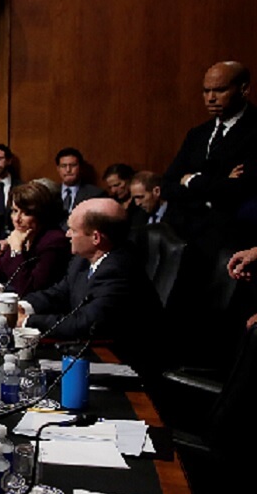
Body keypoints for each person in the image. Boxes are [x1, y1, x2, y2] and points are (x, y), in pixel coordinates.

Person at [19, 198, 161, 368]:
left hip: (125, 362)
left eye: (73, 230)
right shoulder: (84, 259)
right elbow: (60, 293)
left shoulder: (119, 269)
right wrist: (21, 306)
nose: (67, 234)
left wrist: (27, 321)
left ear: (95, 238)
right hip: (90, 350)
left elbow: (86, 323)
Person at [163, 61, 257, 249]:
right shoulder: (197, 134)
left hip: (233, 239)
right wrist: (219, 183)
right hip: (186, 236)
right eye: (206, 91)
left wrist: (191, 181)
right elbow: (167, 186)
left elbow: (239, 189)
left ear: (244, 89)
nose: (210, 98)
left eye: (220, 90)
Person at [0, 182, 70, 296]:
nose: (17, 219)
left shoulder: (54, 241)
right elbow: (1, 268)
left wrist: (16, 250)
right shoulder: (23, 234)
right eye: (15, 211)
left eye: (26, 213)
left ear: (41, 214)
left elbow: (27, 288)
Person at [129, 170, 189, 237]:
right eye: (134, 198)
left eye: (140, 197)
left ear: (156, 191)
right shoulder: (137, 218)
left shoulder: (180, 215)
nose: (137, 203)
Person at [54, 147, 106, 215]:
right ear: (58, 169)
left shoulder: (96, 194)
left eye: (73, 165)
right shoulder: (51, 193)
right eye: (63, 166)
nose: (68, 170)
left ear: (81, 167)